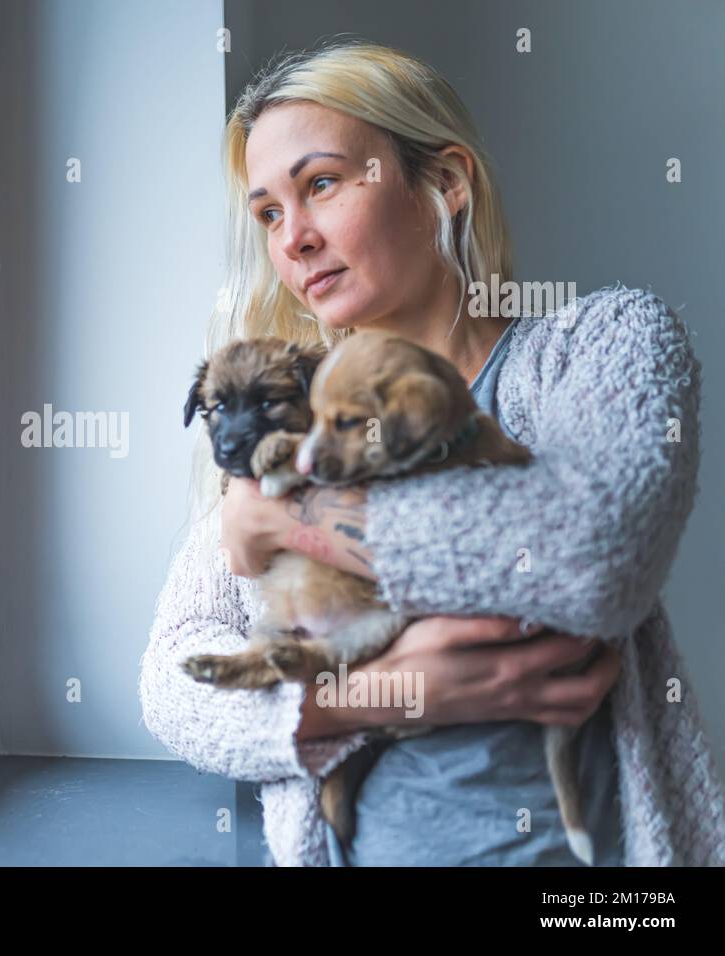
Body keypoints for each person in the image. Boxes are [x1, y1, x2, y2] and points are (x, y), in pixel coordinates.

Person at [138, 39, 725, 866]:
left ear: (445, 183)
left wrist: (295, 519)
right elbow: (170, 681)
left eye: (322, 184)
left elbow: (598, 556)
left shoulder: (596, 345)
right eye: (269, 211)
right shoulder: (294, 407)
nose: (293, 238)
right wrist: (372, 699)